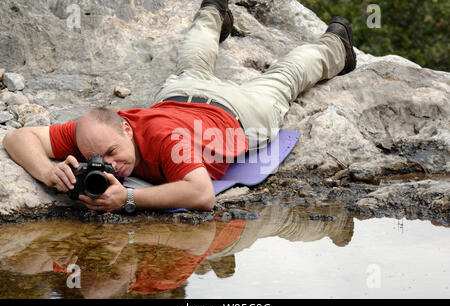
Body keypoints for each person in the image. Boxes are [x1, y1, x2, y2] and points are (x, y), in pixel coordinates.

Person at [2, 0, 356, 213]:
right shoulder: (96, 133)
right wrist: (47, 173)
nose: (108, 166)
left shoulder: (168, 141)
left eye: (111, 153)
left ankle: (337, 43)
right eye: (101, 159)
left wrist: (126, 199)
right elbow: (17, 139)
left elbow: (202, 195)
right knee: (192, 62)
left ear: (126, 128)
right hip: (180, 94)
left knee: (285, 77)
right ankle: (213, 11)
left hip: (239, 113)